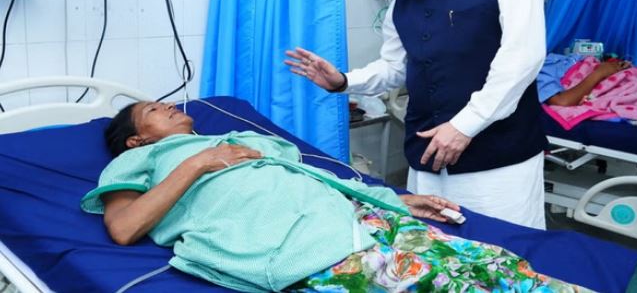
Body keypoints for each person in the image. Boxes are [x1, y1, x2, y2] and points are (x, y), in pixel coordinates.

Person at [81, 101, 587, 293]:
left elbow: (310, 176)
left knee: (489, 264)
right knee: (430, 280)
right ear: (137, 139)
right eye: (153, 109)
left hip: (350, 213)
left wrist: (391, 201)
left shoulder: (235, 139)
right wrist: (197, 163)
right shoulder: (139, 162)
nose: (168, 105)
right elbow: (123, 228)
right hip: (296, 239)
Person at [285, 0, 548, 229]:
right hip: (426, 158)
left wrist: (465, 125)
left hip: (497, 161)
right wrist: (343, 80)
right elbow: (394, 67)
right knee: (432, 246)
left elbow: (522, 58)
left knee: (504, 247)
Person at [537, 53, 631, 106]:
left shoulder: (550, 57)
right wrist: (599, 73)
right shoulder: (537, 71)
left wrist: (613, 64)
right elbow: (561, 101)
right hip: (603, 80)